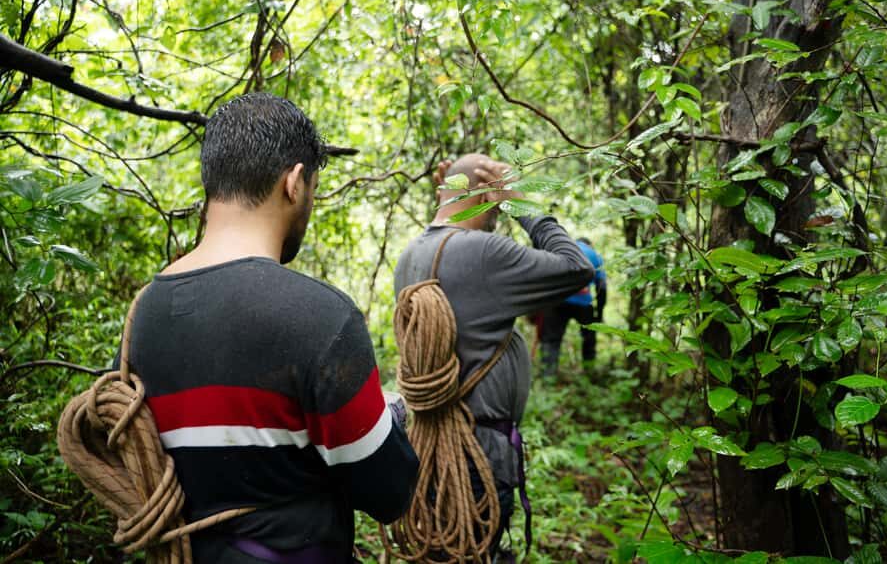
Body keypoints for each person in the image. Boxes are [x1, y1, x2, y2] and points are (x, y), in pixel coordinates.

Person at [122, 93, 419, 563]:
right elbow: (388, 492)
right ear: (295, 183)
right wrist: (391, 420)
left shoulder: (143, 315)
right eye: (314, 190)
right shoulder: (321, 318)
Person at [393, 153, 593, 557]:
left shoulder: (414, 254)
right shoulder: (481, 254)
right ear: (488, 194)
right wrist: (520, 203)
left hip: (433, 449)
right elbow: (576, 267)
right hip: (476, 456)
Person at [539, 238, 606, 376]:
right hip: (583, 303)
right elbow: (602, 287)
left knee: (551, 339)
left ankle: (548, 375)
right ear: (589, 244)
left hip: (558, 300)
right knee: (588, 338)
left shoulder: (563, 248)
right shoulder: (595, 255)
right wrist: (599, 313)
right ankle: (588, 373)